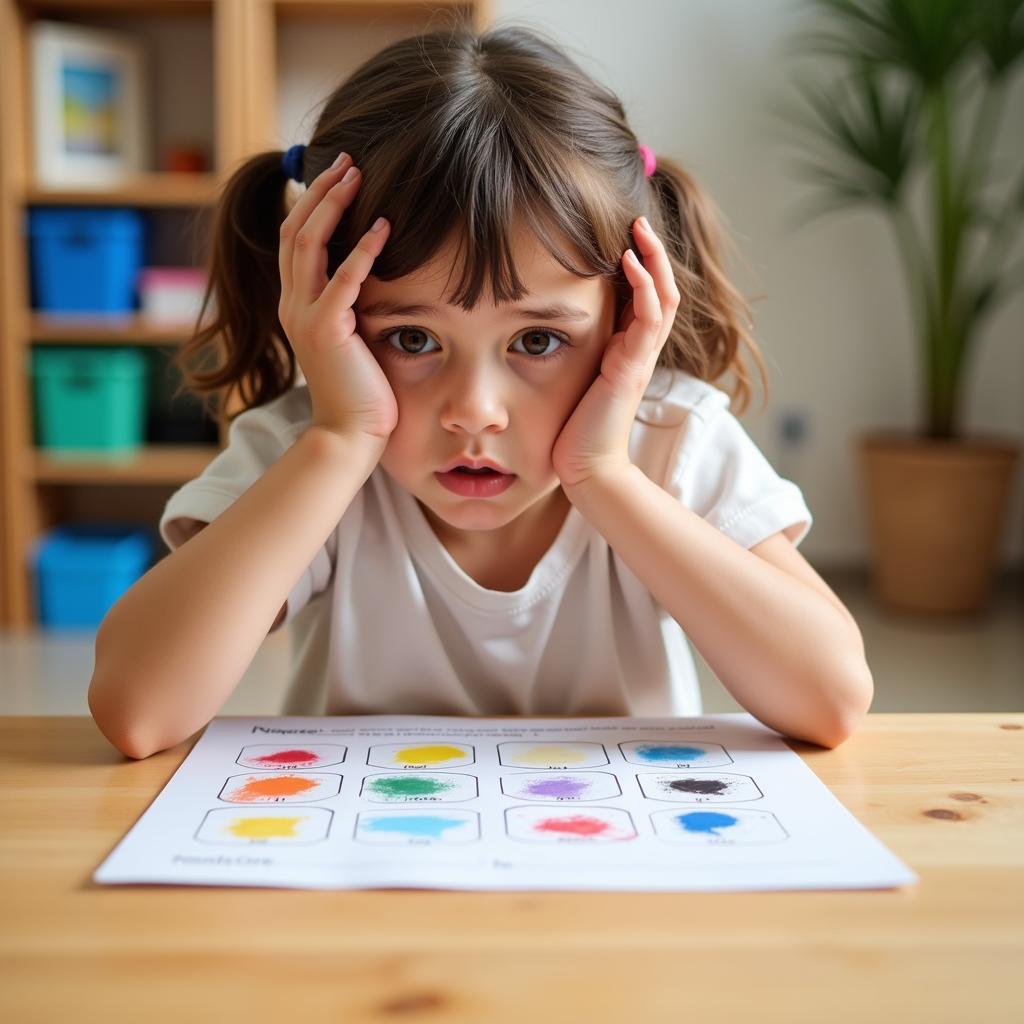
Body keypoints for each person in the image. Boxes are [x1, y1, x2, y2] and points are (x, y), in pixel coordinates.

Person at [88, 22, 873, 761]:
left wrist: (604, 477)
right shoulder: (312, 447)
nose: (474, 410)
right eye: (412, 339)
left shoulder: (672, 440)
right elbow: (137, 709)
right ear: (324, 310)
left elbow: (830, 700)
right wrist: (339, 441)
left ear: (628, 316)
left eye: (537, 341)